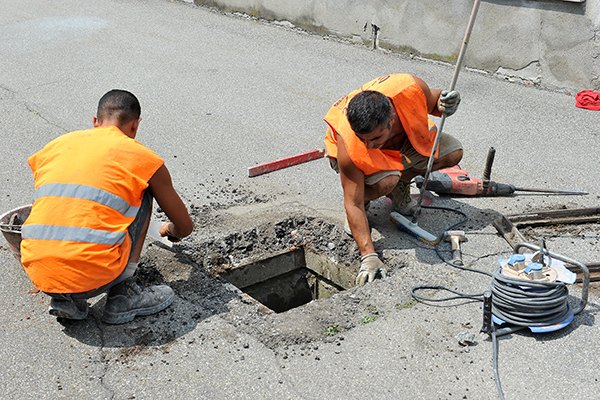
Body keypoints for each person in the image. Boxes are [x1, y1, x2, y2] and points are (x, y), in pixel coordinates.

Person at [20, 89, 194, 324]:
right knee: (143, 191)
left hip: (39, 273)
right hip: (95, 277)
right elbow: (185, 227)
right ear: (135, 125)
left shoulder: (55, 147)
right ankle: (125, 295)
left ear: (95, 122)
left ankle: (64, 299)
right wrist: (167, 231)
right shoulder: (143, 159)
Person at [324, 74, 463, 285]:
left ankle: (400, 185)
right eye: (364, 140)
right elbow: (351, 202)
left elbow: (434, 102)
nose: (369, 145)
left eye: (375, 138)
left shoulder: (409, 90)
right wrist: (369, 256)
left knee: (452, 153)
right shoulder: (351, 141)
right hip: (349, 157)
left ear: (392, 120)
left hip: (398, 142)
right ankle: (370, 198)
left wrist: (447, 102)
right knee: (383, 183)